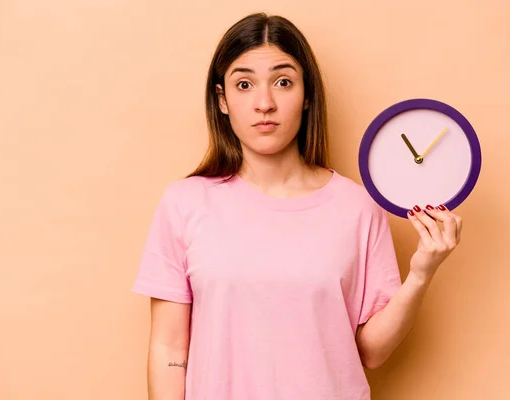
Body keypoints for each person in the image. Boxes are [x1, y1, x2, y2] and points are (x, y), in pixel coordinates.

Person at [131, 12, 463, 400]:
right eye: (244, 84)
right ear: (222, 100)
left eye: (283, 82)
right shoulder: (184, 202)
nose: (264, 103)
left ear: (306, 97)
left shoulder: (357, 207)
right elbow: (169, 348)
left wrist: (421, 274)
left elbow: (372, 351)